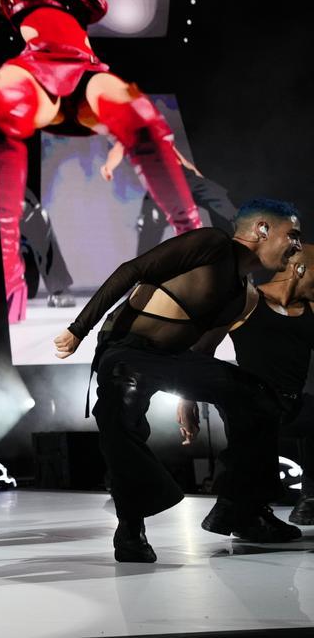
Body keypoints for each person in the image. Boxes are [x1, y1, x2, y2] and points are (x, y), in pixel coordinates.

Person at [54, 198, 303, 562]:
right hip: (128, 352)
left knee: (259, 398)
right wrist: (79, 328)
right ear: (262, 229)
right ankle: (130, 529)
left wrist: (188, 401)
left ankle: (243, 511)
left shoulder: (244, 295)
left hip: (174, 361)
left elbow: (202, 354)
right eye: (292, 235)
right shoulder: (210, 244)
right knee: (121, 414)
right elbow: (131, 269)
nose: (297, 246)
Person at [0, 0, 202, 323]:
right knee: (3, 107)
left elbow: (98, 5)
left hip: (86, 68)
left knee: (141, 117)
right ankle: (8, 284)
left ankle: (196, 260)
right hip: (36, 63)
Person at [177, 246, 314, 527]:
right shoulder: (249, 299)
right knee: (252, 425)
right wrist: (186, 401)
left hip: (288, 402)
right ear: (300, 270)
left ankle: (309, 501)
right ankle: (231, 510)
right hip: (249, 398)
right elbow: (202, 350)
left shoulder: (309, 308)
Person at [99, 136, 237, 254]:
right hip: (161, 182)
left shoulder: (160, 134)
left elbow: (183, 161)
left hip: (184, 175)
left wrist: (203, 182)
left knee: (221, 200)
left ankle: (245, 242)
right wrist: (108, 166)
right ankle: (141, 275)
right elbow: (117, 149)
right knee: (150, 230)